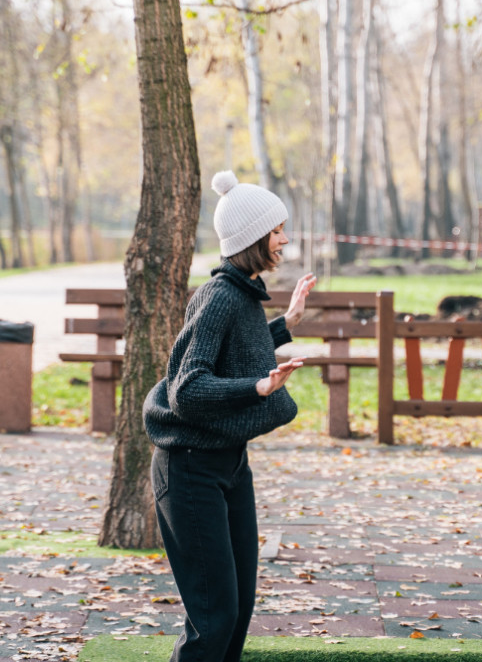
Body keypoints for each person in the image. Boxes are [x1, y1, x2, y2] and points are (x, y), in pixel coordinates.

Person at [144, 170, 317, 662]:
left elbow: (237, 349)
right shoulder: (219, 296)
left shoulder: (242, 292)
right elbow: (187, 388)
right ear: (252, 238)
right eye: (277, 231)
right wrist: (258, 387)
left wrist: (286, 324)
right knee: (214, 617)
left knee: (237, 610)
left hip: (228, 462)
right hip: (189, 468)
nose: (284, 239)